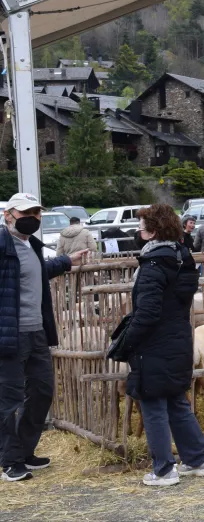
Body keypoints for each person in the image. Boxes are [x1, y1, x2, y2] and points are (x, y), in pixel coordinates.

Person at [109, 204, 204, 486]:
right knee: (176, 400)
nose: (138, 232)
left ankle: (164, 470)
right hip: (178, 337)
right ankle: (198, 459)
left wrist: (126, 342)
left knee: (153, 401)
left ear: (152, 232)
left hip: (154, 343)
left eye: (141, 228)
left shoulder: (154, 264)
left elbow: (148, 312)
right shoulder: (182, 257)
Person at [0, 193, 86, 483]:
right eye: (26, 213)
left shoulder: (32, 245)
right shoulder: (2, 245)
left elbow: (34, 275)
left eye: (36, 214)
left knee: (42, 392)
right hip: (9, 334)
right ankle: (9, 461)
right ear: (8, 215)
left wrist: (66, 261)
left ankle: (24, 451)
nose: (32, 219)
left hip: (36, 332)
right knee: (9, 400)